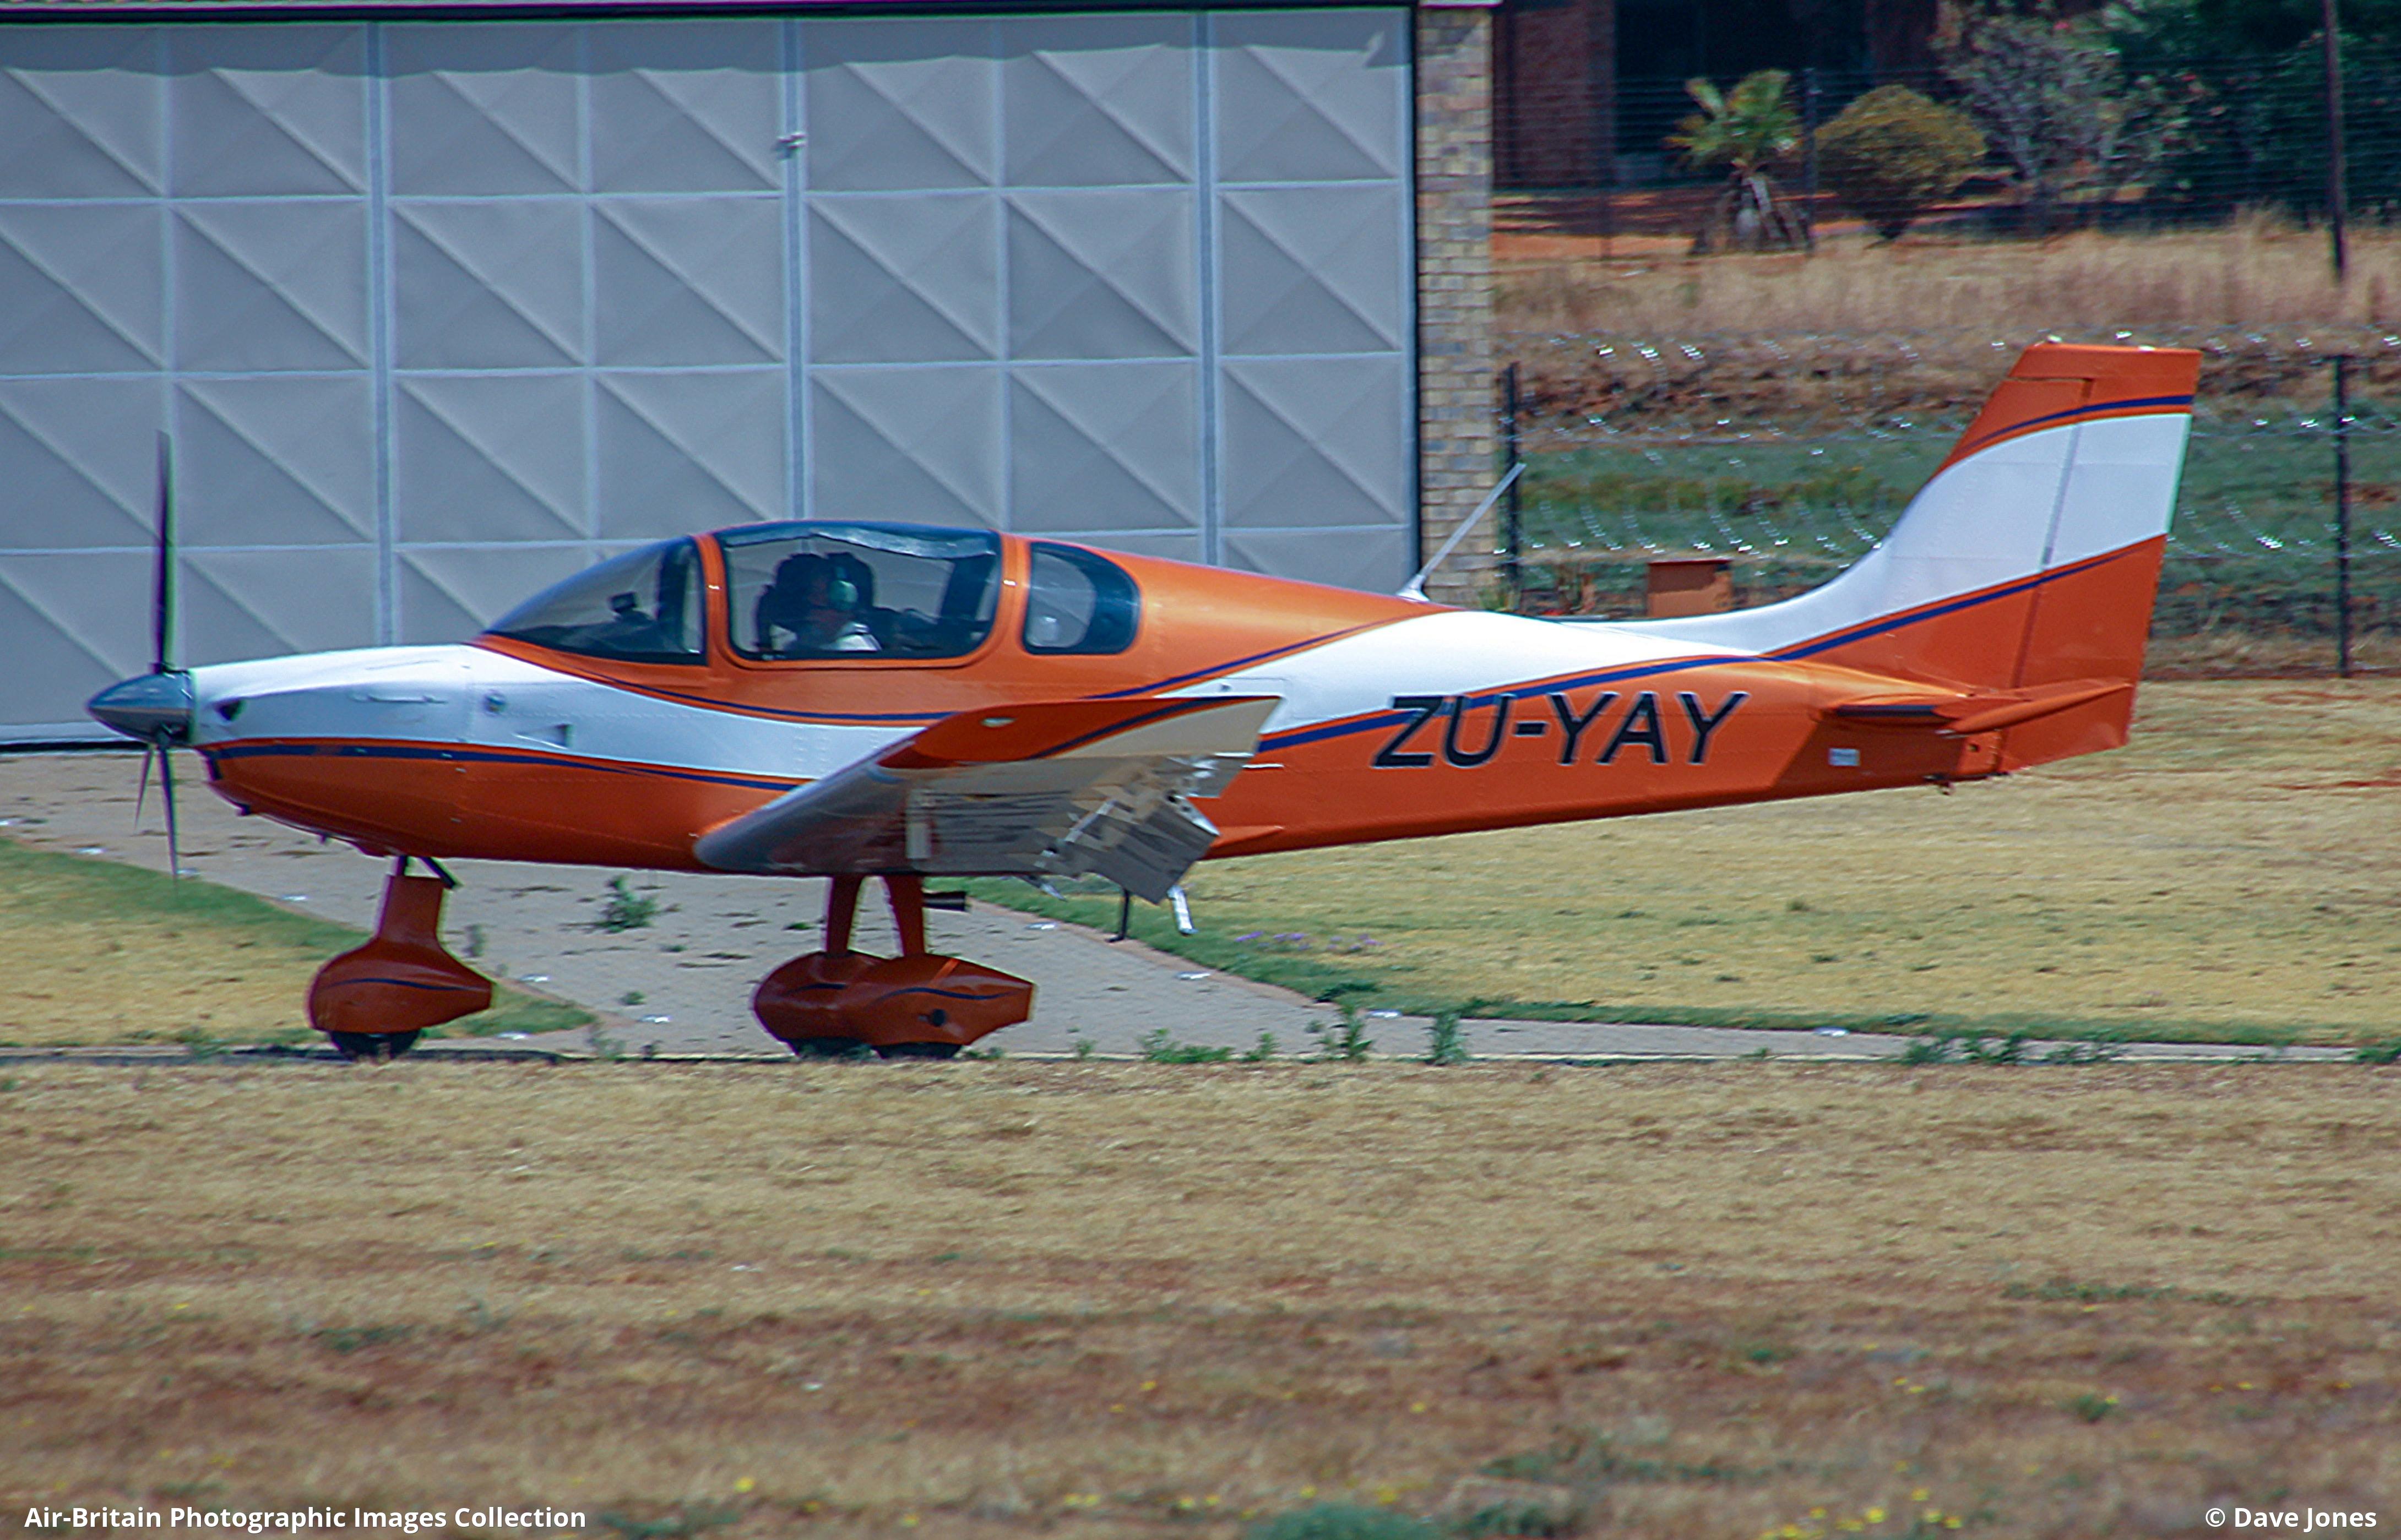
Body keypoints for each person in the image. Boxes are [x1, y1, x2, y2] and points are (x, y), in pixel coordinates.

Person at [756, 553, 880, 657]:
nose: (810, 602)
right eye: (807, 595)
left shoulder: (855, 651)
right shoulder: (804, 644)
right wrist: (764, 633)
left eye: (817, 594)